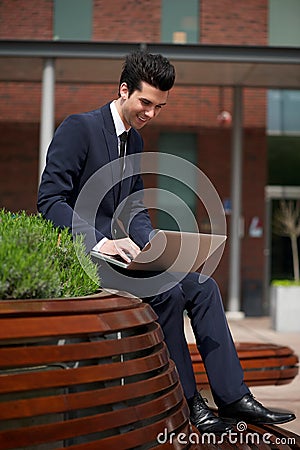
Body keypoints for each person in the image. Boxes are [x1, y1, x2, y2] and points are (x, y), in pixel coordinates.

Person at [37, 50, 295, 434]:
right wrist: (100, 242)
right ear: (123, 90)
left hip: (122, 260)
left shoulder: (135, 142)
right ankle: (190, 403)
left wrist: (154, 241)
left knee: (203, 286)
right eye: (146, 103)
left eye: (160, 107)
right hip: (84, 258)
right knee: (168, 293)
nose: (152, 113)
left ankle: (234, 398)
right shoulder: (80, 128)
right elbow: (50, 200)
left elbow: (135, 206)